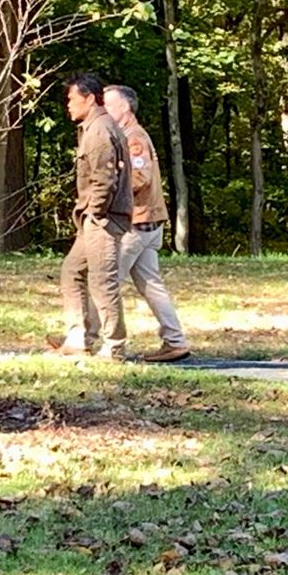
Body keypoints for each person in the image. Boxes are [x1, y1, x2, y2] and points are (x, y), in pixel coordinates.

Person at [102, 84, 190, 362]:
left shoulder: (134, 138)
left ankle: (92, 340)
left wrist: (108, 191)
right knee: (150, 284)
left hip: (136, 223)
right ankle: (175, 340)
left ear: (125, 107)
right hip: (147, 223)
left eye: (108, 105)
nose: (104, 110)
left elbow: (140, 179)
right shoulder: (127, 136)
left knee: (105, 280)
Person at [52, 71, 131, 360]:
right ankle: (78, 337)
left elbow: (104, 179)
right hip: (95, 219)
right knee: (73, 270)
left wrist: (95, 213)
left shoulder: (99, 131)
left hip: (103, 219)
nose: (68, 105)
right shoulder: (94, 127)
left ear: (89, 98)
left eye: (72, 99)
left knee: (102, 281)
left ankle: (114, 346)